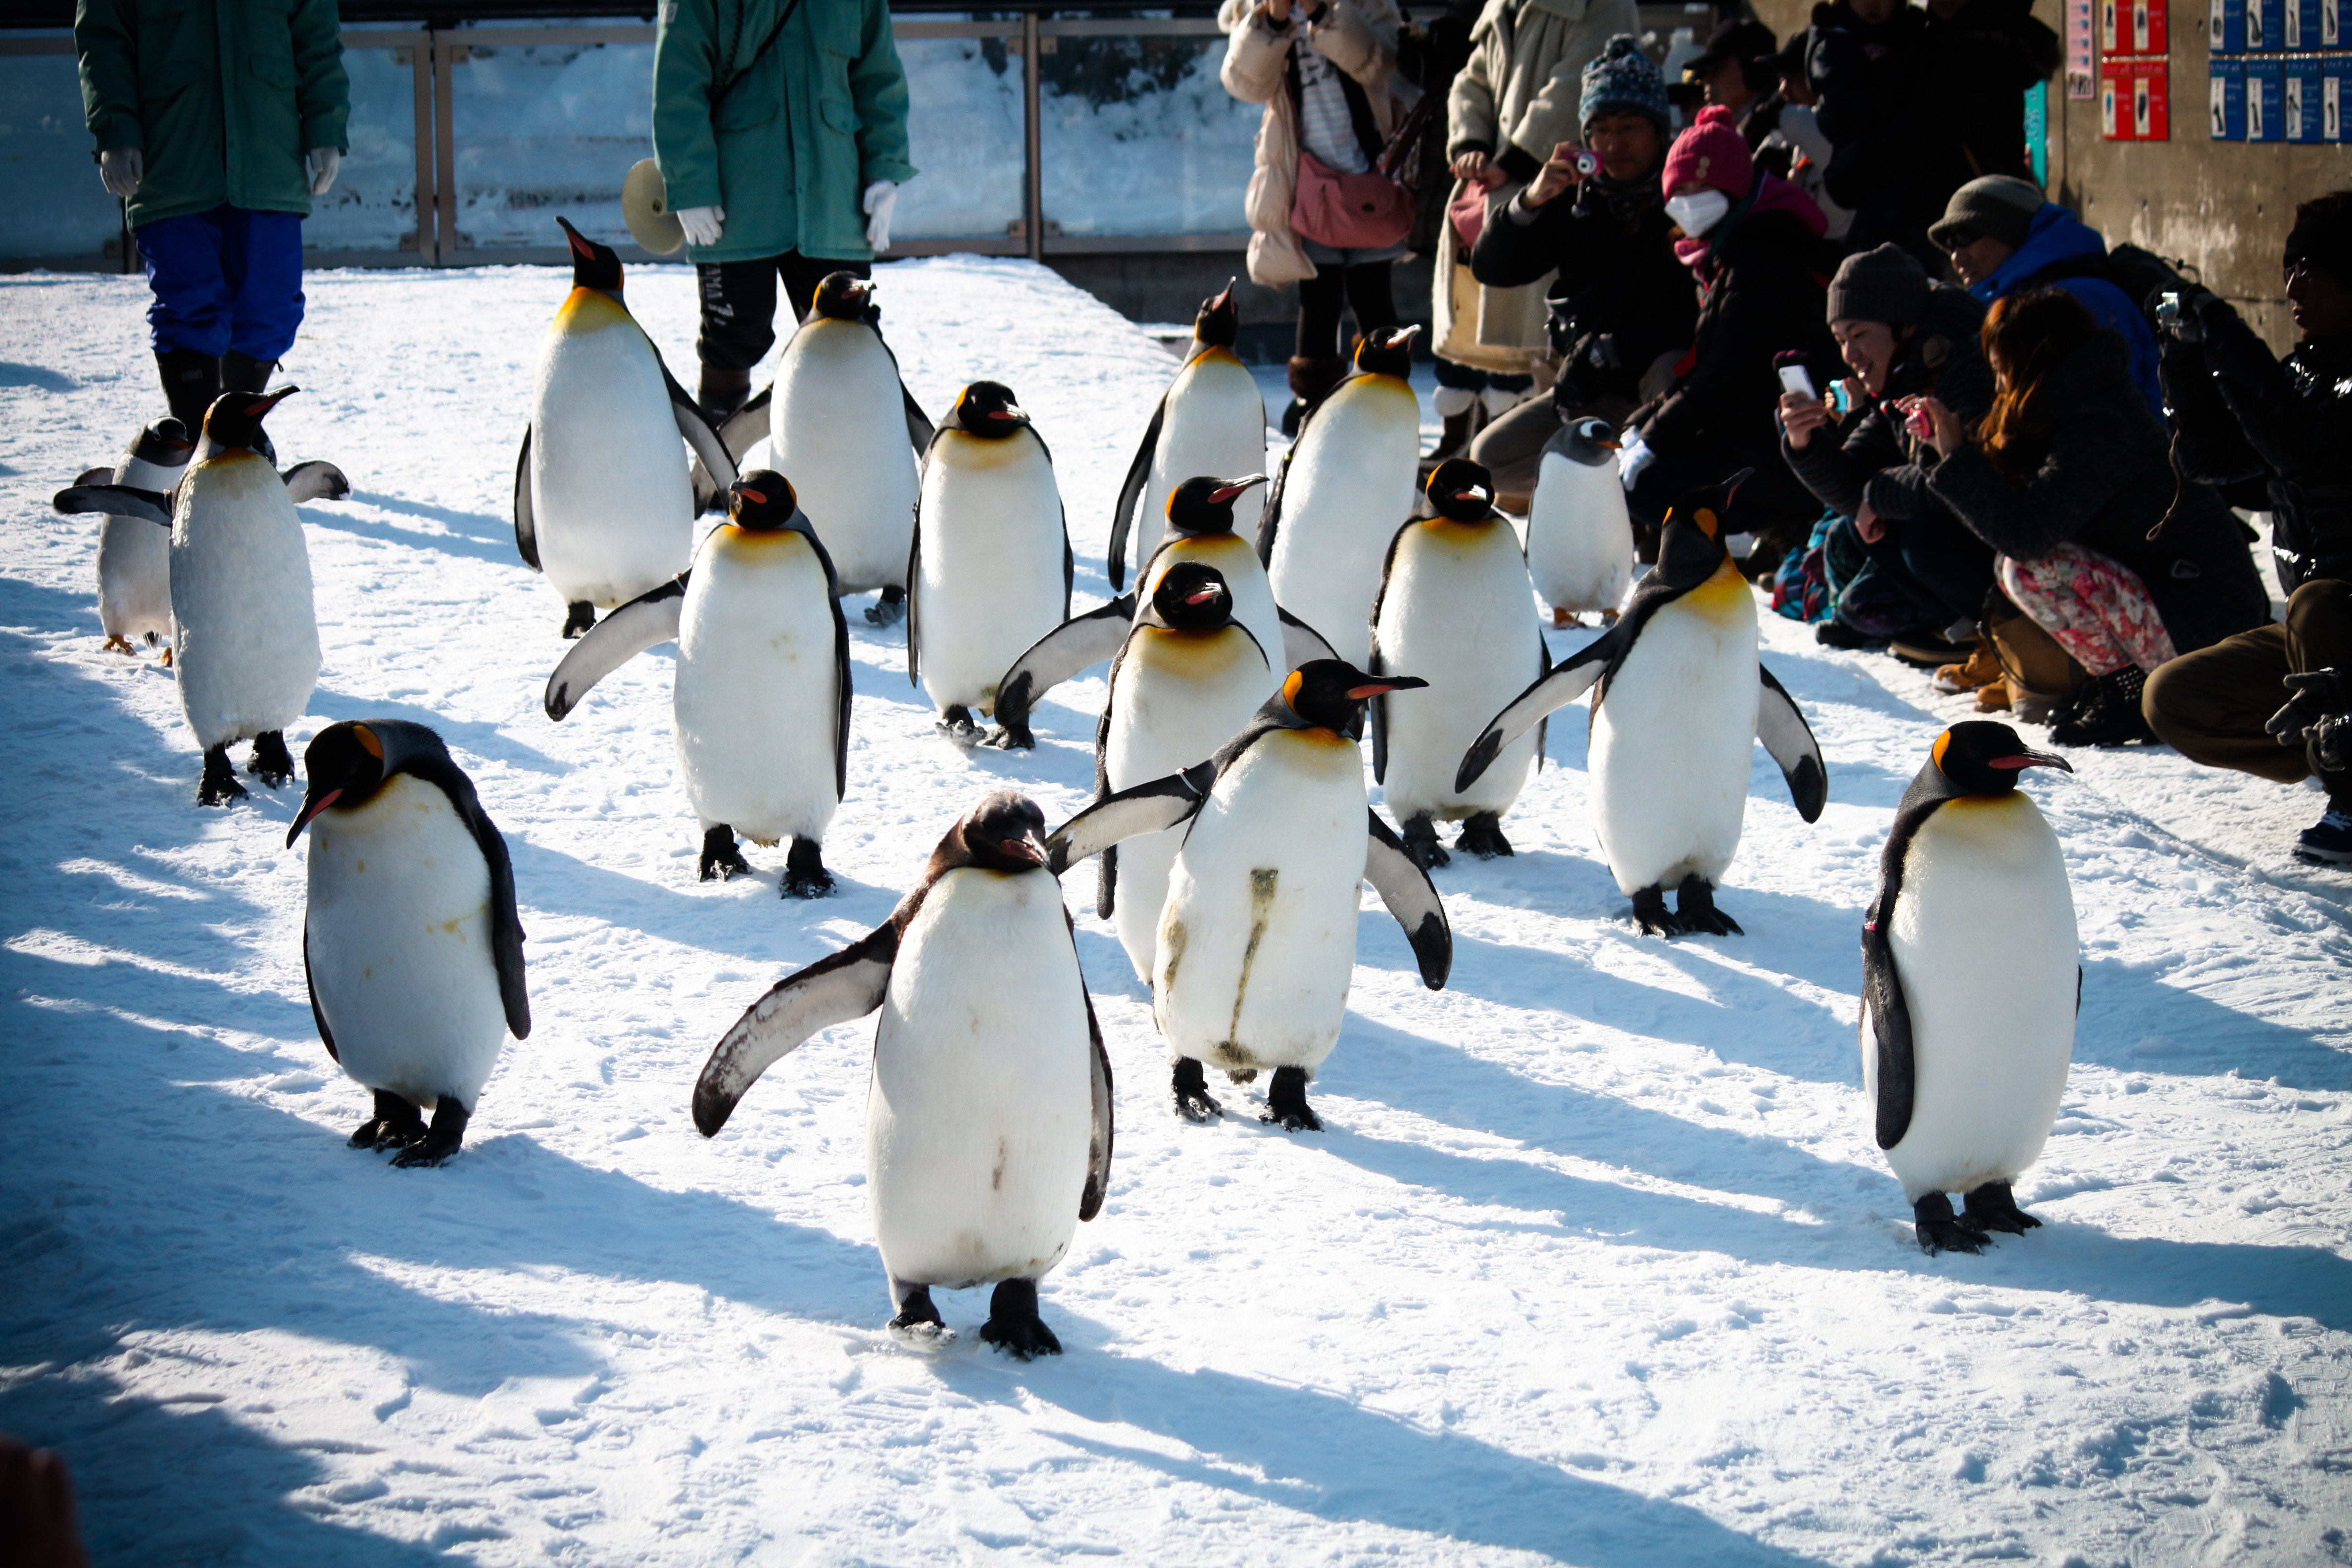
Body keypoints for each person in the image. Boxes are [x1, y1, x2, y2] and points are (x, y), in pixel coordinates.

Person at [1910, 289, 2269, 747]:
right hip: (2178, 603)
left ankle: (2128, 693)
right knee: (2016, 565)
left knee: (2027, 567)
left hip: (2211, 622)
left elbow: (2026, 535)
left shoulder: (2102, 421)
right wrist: (1941, 450)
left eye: (2002, 369)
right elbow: (2006, 502)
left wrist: (1956, 458)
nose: (1998, 385)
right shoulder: (2071, 407)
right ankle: (2119, 686)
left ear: (2032, 362)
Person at [2143, 192, 2352, 862]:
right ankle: (2338, 757)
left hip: (2336, 626)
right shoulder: (2305, 375)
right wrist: (2184, 357)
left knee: (2323, 601)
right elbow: (2218, 465)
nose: (2292, 288)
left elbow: (2306, 449)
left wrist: (2227, 332)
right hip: (2319, 649)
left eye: (2311, 271)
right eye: (2288, 269)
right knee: (2176, 699)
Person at [75, 0, 348, 427]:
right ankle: (199, 456)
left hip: (268, 155)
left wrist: (325, 126)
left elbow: (317, 31)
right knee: (189, 307)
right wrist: (115, 129)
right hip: (170, 155)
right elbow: (104, 36)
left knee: (271, 306)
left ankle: (234, 439)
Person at [653, 0, 915, 421]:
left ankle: (847, 478)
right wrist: (690, 183)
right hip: (736, 204)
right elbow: (679, 80)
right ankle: (719, 477)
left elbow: (878, 77)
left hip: (834, 200)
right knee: (729, 346)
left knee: (850, 348)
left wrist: (886, 170)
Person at [1464, 34, 1691, 508]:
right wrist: (1530, 200)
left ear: (1658, 130)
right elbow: (1492, 267)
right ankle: (1615, 491)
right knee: (1491, 460)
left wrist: (1623, 346)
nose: (1614, 143)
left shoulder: (1686, 197)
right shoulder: (1576, 200)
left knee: (1671, 375)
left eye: (1630, 127)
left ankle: (1658, 500)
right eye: (1600, 131)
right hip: (1589, 390)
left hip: (1664, 391)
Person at [1616, 104, 1836, 563]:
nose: (1692, 199)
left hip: (1789, 436)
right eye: (1683, 188)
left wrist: (1653, 439)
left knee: (1650, 488)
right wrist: (1642, 426)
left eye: (1705, 186)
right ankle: (1780, 520)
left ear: (1736, 189)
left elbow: (1725, 370)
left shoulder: (1762, 256)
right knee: (1641, 458)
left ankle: (1790, 517)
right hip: (1761, 426)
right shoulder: (1733, 249)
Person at [1431, 0, 1639, 459]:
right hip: (1506, 190)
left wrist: (1519, 159)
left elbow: (1575, 88)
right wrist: (1471, 143)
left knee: (1548, 349)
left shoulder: (1601, 8)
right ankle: (1501, 456)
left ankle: (1546, 466)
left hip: (1564, 185)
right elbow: (1472, 80)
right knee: (1509, 344)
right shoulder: (1504, 6)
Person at [1778, 244, 1993, 657]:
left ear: (1906, 325)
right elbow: (1853, 488)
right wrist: (1805, 443)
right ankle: (1970, 633)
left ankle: (2002, 635)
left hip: (2025, 544)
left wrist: (1878, 495)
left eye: (1859, 335)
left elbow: (1971, 474)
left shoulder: (1968, 363)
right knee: (1861, 529)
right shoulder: (1901, 380)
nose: (1850, 355)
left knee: (1921, 537)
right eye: (1841, 340)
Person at [1222, 0, 1412, 435]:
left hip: (1372, 176)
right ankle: (1314, 412)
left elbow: (1380, 65)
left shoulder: (1368, 6)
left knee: (1373, 295)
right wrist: (1273, 20)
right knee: (1319, 296)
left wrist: (1323, 12)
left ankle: (1385, 407)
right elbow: (1245, 82)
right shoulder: (1259, 9)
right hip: (1306, 181)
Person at [1928, 175, 2163, 417]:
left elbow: (2108, 416)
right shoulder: (2016, 300)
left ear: (2011, 231)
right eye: (1950, 242)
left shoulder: (2078, 298)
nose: (1957, 256)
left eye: (1966, 235)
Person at [1804, 0, 1933, 263]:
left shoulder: (1918, 35)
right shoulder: (1834, 44)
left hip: (1923, 204)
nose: (1873, 2)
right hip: (1867, 199)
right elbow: (1852, 113)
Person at [1757, 32, 1851, 243]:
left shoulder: (1839, 134)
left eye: (1793, 77)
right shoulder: (1793, 140)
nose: (1783, 90)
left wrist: (1778, 115)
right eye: (1781, 79)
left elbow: (1803, 126)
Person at [1681, 18, 1784, 148]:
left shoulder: (1787, 127)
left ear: (1752, 70)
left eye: (1717, 69)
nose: (1706, 79)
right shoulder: (1740, 129)